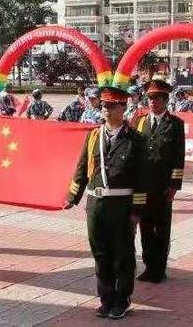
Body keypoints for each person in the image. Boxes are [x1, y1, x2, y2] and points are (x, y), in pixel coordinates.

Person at [63, 86, 147, 320]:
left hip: (121, 205)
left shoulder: (136, 140)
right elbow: (82, 169)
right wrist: (73, 197)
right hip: (96, 204)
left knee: (123, 254)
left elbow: (142, 178)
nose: (106, 110)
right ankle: (106, 298)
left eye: (111, 106)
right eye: (103, 105)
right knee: (100, 253)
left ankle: (122, 299)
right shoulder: (93, 136)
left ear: (123, 107)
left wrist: (137, 210)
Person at [134, 80, 185, 284]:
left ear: (165, 100)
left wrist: (174, 185)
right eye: (150, 98)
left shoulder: (175, 124)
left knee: (162, 227)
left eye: (157, 98)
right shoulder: (140, 121)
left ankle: (159, 268)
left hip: (163, 186)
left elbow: (178, 157)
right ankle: (148, 265)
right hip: (143, 186)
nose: (153, 102)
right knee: (145, 226)